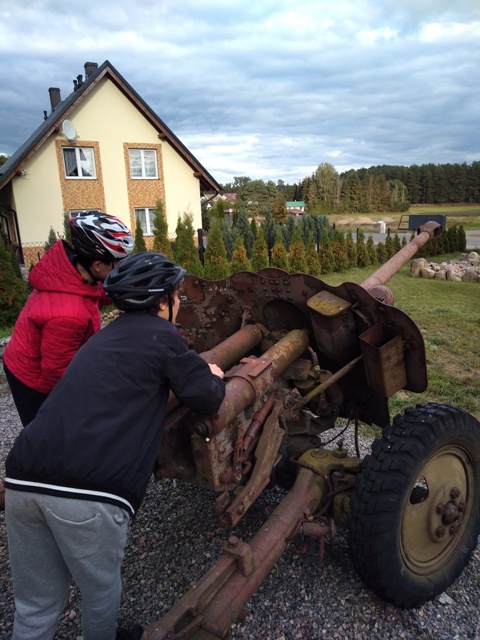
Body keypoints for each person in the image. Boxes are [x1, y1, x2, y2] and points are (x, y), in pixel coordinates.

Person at [3, 252, 226, 640]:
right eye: (176, 296)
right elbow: (205, 396)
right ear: (161, 302)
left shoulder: (103, 339)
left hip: (22, 478)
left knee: (37, 603)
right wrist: (212, 374)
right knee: (99, 593)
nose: (178, 303)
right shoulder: (162, 336)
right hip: (87, 492)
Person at [3, 210, 134, 426]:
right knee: (47, 430)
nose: (120, 268)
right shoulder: (69, 315)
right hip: (30, 376)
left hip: (41, 352)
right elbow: (58, 373)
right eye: (117, 264)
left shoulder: (73, 271)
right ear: (97, 265)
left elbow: (96, 292)